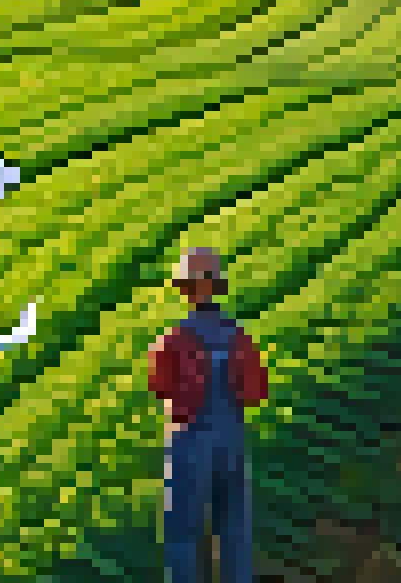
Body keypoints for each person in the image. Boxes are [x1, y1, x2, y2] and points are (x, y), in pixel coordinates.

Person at [148, 247, 268, 583]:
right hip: (231, 441)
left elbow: (158, 386)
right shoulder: (241, 338)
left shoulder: (172, 339)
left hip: (190, 442)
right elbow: (257, 392)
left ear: (186, 289)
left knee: (183, 536)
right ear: (216, 286)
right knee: (235, 534)